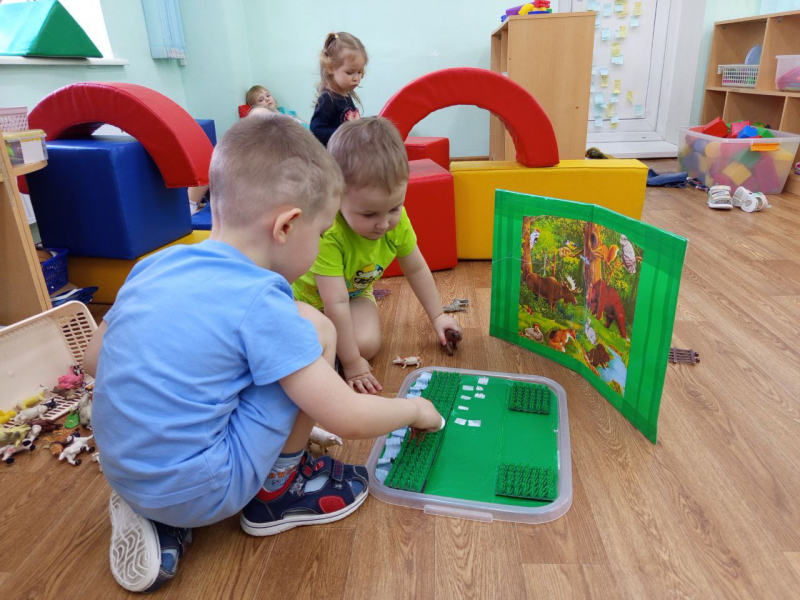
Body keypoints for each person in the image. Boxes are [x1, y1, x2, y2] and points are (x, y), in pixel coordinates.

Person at [84, 112, 443, 594]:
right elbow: (348, 416)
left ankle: (160, 516)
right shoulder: (262, 302)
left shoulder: (154, 265)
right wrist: (416, 410)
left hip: (122, 470)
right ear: (287, 226)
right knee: (315, 328)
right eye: (320, 234)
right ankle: (279, 492)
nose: (321, 245)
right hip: (208, 489)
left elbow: (93, 361)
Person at [293, 117, 462, 394]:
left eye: (394, 208)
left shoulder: (397, 222)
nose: (383, 224)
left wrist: (438, 316)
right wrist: (351, 364)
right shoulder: (329, 232)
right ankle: (328, 355)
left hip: (354, 295)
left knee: (367, 345)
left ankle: (329, 354)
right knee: (302, 342)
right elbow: (334, 302)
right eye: (369, 213)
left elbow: (416, 269)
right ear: (337, 197)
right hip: (305, 300)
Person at [310, 32, 367, 146]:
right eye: (350, 72)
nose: (356, 78)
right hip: (333, 155)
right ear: (330, 67)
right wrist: (346, 133)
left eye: (359, 72)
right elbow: (316, 131)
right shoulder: (327, 99)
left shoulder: (345, 94)